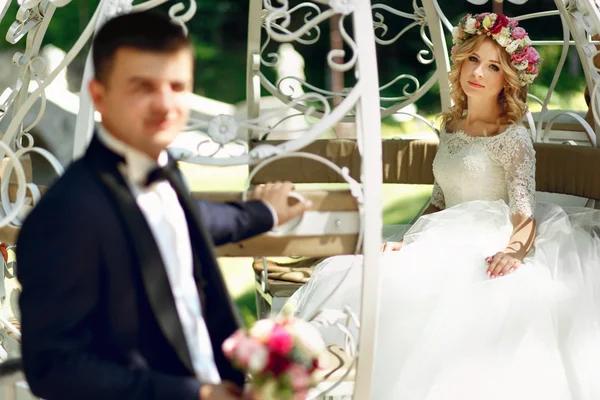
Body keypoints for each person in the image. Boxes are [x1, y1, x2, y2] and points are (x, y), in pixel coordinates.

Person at [287, 13, 600, 399]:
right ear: (461, 60)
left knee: (447, 301)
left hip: (486, 238)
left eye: (493, 66)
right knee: (364, 275)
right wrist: (408, 238)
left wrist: (513, 252)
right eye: (473, 59)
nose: (479, 73)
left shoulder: (513, 138)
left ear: (507, 79)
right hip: (442, 234)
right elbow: (438, 199)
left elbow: (524, 212)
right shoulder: (450, 127)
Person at [16, 11, 309, 400]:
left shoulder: (163, 170)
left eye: (177, 85)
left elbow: (188, 220)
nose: (165, 104)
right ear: (98, 95)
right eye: (143, 87)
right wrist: (195, 394)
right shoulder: (66, 213)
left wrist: (265, 212)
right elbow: (55, 370)